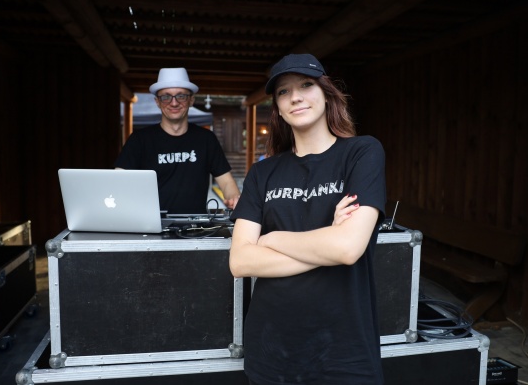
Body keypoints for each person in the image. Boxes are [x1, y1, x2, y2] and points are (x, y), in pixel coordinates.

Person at [229, 53, 386, 384]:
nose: (295, 96)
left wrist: (271, 239)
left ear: (326, 94)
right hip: (271, 349)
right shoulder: (262, 173)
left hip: (343, 349)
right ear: (278, 107)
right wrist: (327, 239)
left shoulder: (362, 153)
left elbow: (347, 249)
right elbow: (240, 261)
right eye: (283, 91)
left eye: (305, 85)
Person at [114, 67, 240, 213]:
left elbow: (226, 182)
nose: (174, 103)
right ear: (157, 102)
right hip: (149, 223)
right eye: (166, 97)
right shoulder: (139, 140)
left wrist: (234, 198)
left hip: (195, 224)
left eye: (181, 96)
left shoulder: (206, 139)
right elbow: (118, 182)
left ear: (191, 100)